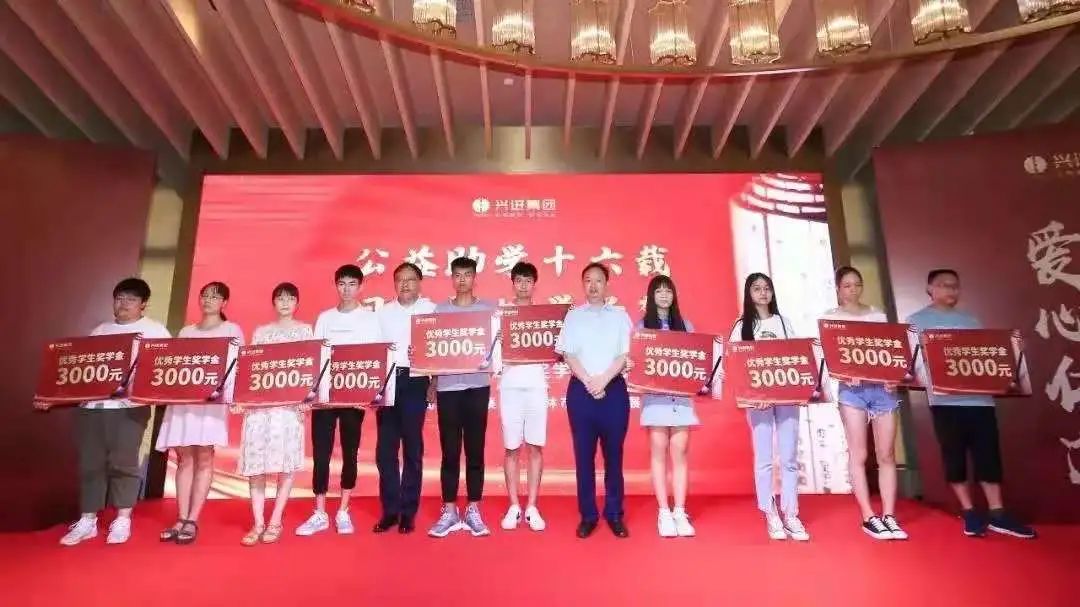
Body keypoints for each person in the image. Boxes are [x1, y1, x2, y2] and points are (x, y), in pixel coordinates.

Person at [906, 269, 1035, 539]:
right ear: (930, 289)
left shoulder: (970, 320)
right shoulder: (916, 322)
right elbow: (912, 362)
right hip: (944, 401)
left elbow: (987, 356)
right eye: (944, 285)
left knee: (988, 456)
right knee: (954, 457)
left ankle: (998, 513)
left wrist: (1011, 350)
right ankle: (969, 512)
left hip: (980, 400)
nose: (950, 290)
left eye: (955, 286)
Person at [59, 278, 171, 546]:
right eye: (119, 298)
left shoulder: (155, 331)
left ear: (143, 304)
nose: (123, 304)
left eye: (131, 299)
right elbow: (82, 370)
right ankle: (88, 520)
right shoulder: (100, 330)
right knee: (91, 464)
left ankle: (123, 518)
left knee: (124, 463)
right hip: (92, 408)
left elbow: (164, 369)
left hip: (128, 410)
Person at [296, 264, 382, 536]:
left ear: (361, 287)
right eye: (342, 284)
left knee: (349, 453)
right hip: (325, 396)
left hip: (353, 397)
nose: (346, 289)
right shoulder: (325, 318)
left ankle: (344, 509)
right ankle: (319, 511)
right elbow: (315, 355)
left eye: (352, 284)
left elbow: (375, 357)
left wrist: (367, 394)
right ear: (336, 286)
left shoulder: (370, 319)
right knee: (321, 454)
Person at [822, 266, 907, 541]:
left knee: (886, 454)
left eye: (857, 284)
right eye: (847, 285)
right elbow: (830, 361)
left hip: (882, 390)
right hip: (852, 392)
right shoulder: (830, 319)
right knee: (858, 454)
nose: (853, 290)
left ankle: (889, 515)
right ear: (838, 289)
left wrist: (893, 377)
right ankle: (869, 516)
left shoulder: (877, 315)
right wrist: (844, 373)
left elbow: (889, 351)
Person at [156, 281, 244, 545]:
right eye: (204, 296)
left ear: (224, 302)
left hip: (211, 403)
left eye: (214, 297)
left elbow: (238, 366)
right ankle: (181, 517)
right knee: (184, 457)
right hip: (185, 401)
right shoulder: (187, 331)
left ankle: (193, 519)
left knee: (204, 455)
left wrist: (233, 398)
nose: (208, 300)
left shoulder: (232, 330)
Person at [730, 273, 810, 542]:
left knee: (788, 458)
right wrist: (754, 394)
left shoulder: (784, 323)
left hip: (786, 399)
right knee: (764, 458)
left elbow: (797, 357)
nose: (763, 293)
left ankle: (791, 513)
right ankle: (770, 512)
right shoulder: (741, 326)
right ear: (749, 293)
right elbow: (736, 364)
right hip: (759, 402)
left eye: (767, 288)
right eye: (757, 289)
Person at [556, 263, 632, 539]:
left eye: (598, 280)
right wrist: (589, 380)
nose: (593, 285)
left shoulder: (620, 316)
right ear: (583, 285)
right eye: (587, 280)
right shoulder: (574, 316)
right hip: (581, 391)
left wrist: (604, 380)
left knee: (614, 455)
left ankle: (614, 514)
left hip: (613, 391)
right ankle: (588, 515)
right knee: (583, 457)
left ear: (607, 284)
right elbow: (568, 354)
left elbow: (624, 354)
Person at [238, 283, 311, 546]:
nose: (285, 303)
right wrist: (243, 399)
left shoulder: (305, 330)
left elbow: (309, 367)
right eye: (280, 298)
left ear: (297, 303)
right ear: (273, 303)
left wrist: (307, 400)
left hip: (289, 409)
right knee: (256, 465)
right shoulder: (261, 332)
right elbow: (251, 367)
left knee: (286, 465)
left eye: (290, 298)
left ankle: (276, 520)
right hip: (261, 408)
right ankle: (258, 522)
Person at [428, 257, 497, 538]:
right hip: (448, 389)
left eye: (467, 275)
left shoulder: (489, 310)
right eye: (457, 275)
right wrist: (433, 382)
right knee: (450, 452)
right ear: (452, 278)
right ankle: (449, 510)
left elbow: (497, 347)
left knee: (475, 451)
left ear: (474, 277)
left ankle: (473, 509)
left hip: (478, 386)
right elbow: (432, 350)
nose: (462, 280)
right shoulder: (440, 310)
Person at [373, 263, 436, 534]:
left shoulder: (431, 310)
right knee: (386, 451)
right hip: (388, 381)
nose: (405, 284)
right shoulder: (383, 313)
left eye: (410, 279)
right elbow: (374, 350)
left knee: (412, 448)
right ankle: (390, 511)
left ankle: (408, 512)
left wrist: (434, 382)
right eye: (400, 279)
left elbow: (438, 350)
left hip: (416, 381)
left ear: (420, 283)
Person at [637, 275, 698, 538]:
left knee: (680, 453)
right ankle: (664, 511)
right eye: (659, 291)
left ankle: (680, 511)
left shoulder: (686, 326)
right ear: (651, 296)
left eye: (668, 291)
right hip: (656, 401)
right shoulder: (642, 327)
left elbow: (698, 362)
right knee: (659, 454)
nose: (664, 295)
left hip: (681, 402)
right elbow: (637, 363)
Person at [497, 262, 549, 532]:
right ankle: (514, 505)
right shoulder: (502, 315)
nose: (524, 285)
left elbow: (556, 349)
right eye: (519, 280)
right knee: (511, 448)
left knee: (535, 447)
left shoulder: (544, 317)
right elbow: (492, 353)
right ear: (513, 283)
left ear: (534, 284)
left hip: (537, 387)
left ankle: (532, 506)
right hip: (510, 387)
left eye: (528, 280)